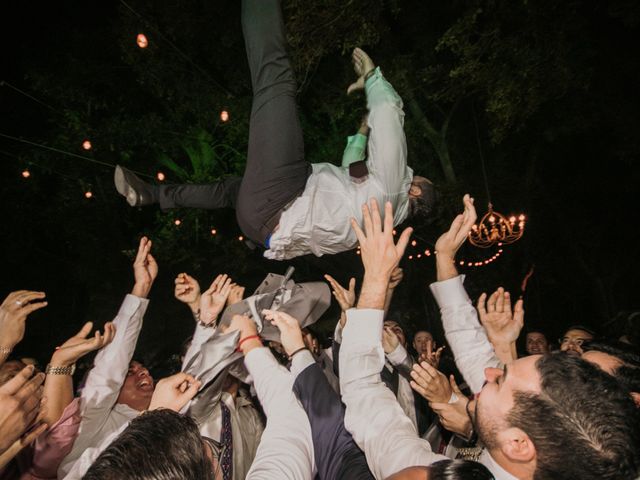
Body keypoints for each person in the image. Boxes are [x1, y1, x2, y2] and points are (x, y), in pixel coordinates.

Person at [114, 0, 436, 261]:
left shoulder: (393, 191)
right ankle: (151, 194)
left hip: (282, 195)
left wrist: (373, 80)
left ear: (416, 191)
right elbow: (351, 168)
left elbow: (389, 115)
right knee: (229, 190)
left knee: (276, 78)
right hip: (261, 225)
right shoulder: (377, 217)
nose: (412, 173)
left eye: (417, 177)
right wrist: (362, 132)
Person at [58, 237, 159, 478]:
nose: (143, 372)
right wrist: (141, 289)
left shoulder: (172, 414)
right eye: (130, 372)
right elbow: (110, 369)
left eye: (142, 368)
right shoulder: (95, 421)